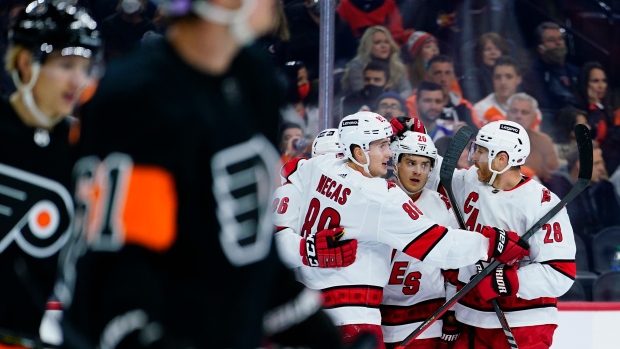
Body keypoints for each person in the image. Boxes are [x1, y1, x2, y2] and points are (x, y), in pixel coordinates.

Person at [56, 0, 355, 348]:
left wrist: (311, 325)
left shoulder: (254, 77)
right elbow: (119, 266)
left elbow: (249, 242)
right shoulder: (136, 95)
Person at [273, 111, 530, 347]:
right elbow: (439, 245)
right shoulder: (380, 197)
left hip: (305, 317)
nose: (389, 153)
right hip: (353, 318)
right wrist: (491, 243)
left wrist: (306, 250)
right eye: (383, 146)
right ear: (359, 152)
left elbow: (279, 219)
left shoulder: (316, 167)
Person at [0, 0, 100, 345]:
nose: (78, 79)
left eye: (85, 67)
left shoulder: (86, 153)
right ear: (26, 62)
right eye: (66, 64)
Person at [430, 120, 577, 349]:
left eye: (481, 151)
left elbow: (560, 272)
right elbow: (427, 173)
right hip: (470, 318)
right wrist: (411, 138)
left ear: (502, 159)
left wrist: (510, 280)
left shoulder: (542, 203)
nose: (474, 157)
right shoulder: (470, 181)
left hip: (524, 324)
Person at [381, 131, 461, 349]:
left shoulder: (442, 206)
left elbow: (454, 268)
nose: (418, 171)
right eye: (411, 162)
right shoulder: (376, 197)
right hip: (377, 316)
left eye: (425, 165)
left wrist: (451, 314)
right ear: (395, 164)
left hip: (427, 318)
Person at [545, 143, 620, 241]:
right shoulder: (556, 189)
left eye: (601, 163)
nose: (602, 168)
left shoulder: (604, 188)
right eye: (597, 164)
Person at [522, 22, 580, 124]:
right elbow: (545, 106)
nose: (558, 43)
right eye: (552, 40)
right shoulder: (533, 75)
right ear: (540, 48)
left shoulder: (576, 72)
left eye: (561, 39)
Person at [406, 55, 477, 132]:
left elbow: (476, 136)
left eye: (448, 73)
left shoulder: (464, 106)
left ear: (454, 77)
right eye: (438, 73)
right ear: (427, 77)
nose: (443, 79)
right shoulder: (412, 103)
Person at [340, 26, 412, 99]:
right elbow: (361, 93)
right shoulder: (357, 65)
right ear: (368, 45)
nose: (383, 46)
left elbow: (407, 90)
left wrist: (393, 101)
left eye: (386, 42)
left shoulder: (396, 64)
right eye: (377, 42)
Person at [505, 93, 559, 182]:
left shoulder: (543, 141)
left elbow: (552, 176)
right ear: (507, 115)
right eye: (514, 111)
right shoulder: (490, 138)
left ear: (534, 118)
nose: (518, 116)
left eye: (524, 112)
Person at [462, 32, 510, 104]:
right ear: (480, 53)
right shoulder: (474, 76)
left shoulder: (510, 74)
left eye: (497, 49)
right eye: (488, 49)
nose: (493, 53)